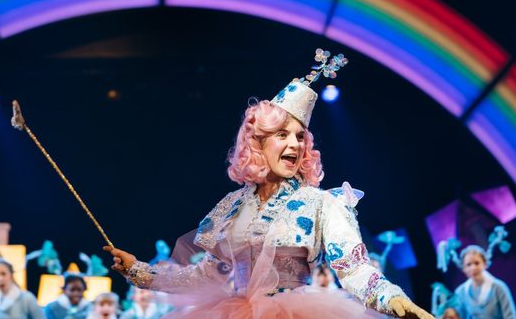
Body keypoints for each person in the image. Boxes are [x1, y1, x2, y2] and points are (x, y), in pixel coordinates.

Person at [104, 51, 434, 319]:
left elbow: (354, 269)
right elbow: (206, 275)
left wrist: (393, 299)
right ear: (258, 144)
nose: (294, 145)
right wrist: (139, 272)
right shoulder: (232, 207)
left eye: (300, 136)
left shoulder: (323, 204)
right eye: (281, 135)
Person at [454, 245, 515, 319]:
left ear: (484, 264)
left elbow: (510, 316)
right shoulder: (461, 291)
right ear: (463, 268)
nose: (473, 268)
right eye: (468, 265)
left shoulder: (498, 287)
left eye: (477, 263)